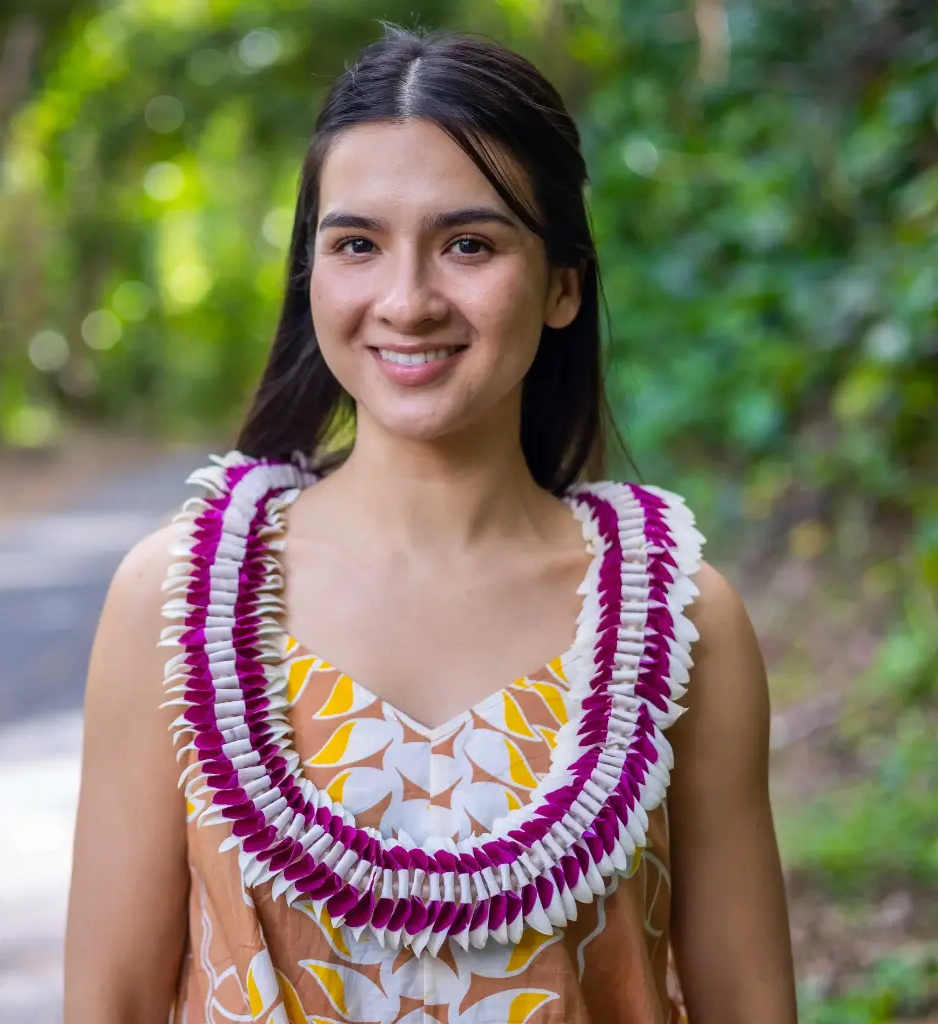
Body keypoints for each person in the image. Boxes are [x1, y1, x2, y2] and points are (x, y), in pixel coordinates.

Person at [65, 25, 798, 1024]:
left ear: (561, 286)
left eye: (468, 244)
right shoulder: (176, 601)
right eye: (356, 244)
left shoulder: (680, 628)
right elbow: (107, 1003)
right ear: (311, 276)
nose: (406, 301)